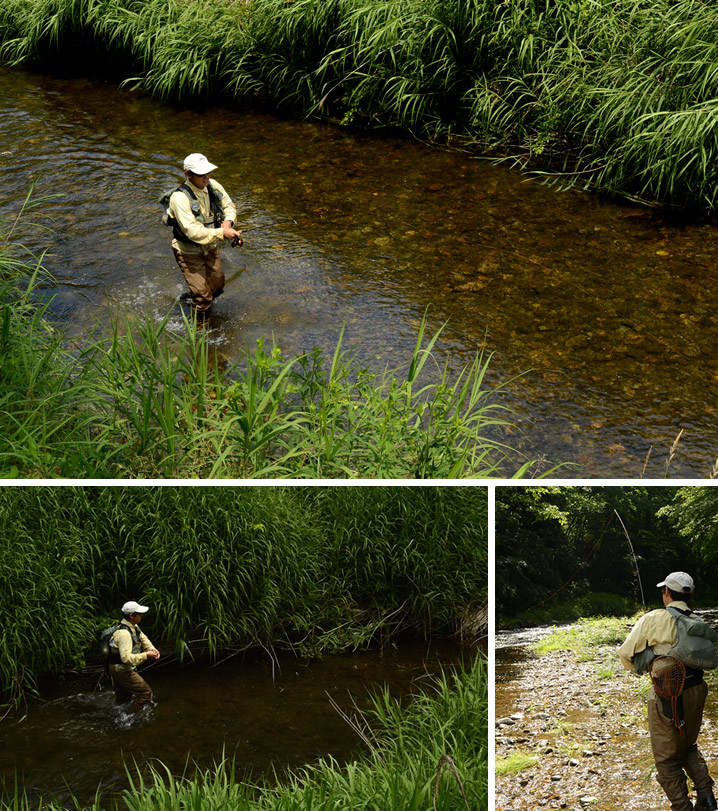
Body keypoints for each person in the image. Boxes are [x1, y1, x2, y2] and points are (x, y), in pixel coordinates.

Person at [619, 572, 718, 811]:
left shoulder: (654, 618)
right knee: (687, 746)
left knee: (665, 759)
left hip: (668, 695)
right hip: (698, 690)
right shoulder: (698, 620)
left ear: (666, 592)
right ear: (690, 594)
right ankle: (705, 796)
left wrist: (645, 664)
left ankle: (681, 807)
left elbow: (625, 654)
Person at [166, 153, 242, 313]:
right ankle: (200, 332)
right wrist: (223, 233)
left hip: (210, 246)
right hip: (188, 252)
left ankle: (191, 298)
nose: (207, 177)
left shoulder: (212, 185)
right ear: (188, 174)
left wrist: (228, 223)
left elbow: (228, 205)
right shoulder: (178, 198)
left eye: (208, 172)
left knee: (218, 287)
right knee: (204, 298)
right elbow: (193, 232)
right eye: (201, 174)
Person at [107, 600, 161, 714]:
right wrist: (146, 655)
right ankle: (128, 720)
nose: (141, 616)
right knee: (146, 694)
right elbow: (126, 658)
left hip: (116, 668)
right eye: (139, 614)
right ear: (132, 615)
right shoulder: (124, 634)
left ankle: (115, 715)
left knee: (124, 697)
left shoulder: (133, 626)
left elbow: (143, 638)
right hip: (121, 669)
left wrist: (152, 649)